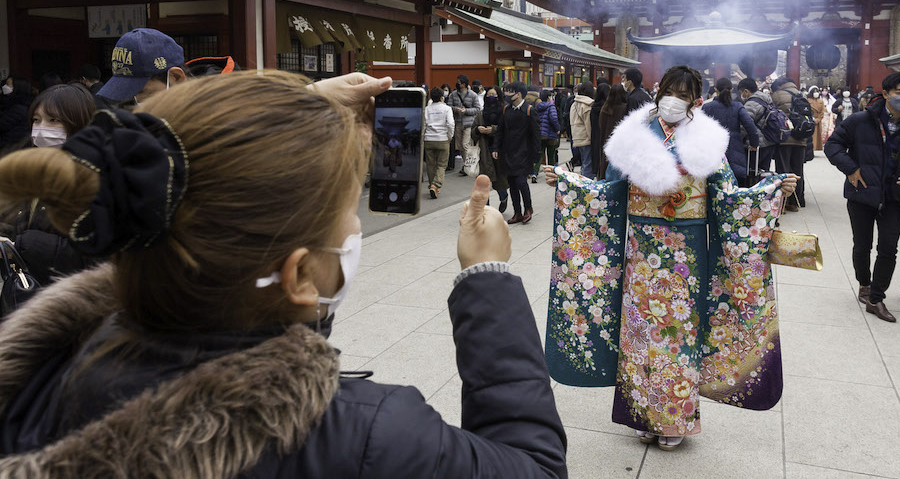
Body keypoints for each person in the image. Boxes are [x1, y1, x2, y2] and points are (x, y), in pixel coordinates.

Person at [0, 71, 568, 476]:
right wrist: (487, 276)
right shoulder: (368, 439)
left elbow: (219, 216)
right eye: (350, 211)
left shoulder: (45, 373)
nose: (355, 226)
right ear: (297, 277)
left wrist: (292, 123)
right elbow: (533, 467)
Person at [543, 65, 798, 449]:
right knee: (639, 331)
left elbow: (728, 197)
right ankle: (643, 413)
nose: (672, 99)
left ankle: (674, 419)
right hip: (641, 250)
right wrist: (569, 182)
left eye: (683, 93)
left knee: (676, 333)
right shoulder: (632, 135)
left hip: (686, 253)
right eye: (668, 90)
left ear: (696, 100)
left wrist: (771, 189)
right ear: (658, 91)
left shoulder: (708, 140)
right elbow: (609, 190)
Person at [824, 72, 900, 323]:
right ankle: (864, 283)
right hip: (862, 193)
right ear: (885, 94)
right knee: (862, 245)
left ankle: (876, 297)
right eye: (899, 92)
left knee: (888, 249)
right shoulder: (861, 120)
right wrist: (851, 168)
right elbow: (833, 146)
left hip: (896, 197)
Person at [0, 84, 96, 286]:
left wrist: (22, 245)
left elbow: (93, 255)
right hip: (30, 289)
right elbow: (13, 218)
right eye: (36, 120)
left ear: (79, 123)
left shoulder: (94, 178)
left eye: (54, 120)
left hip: (73, 298)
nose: (42, 128)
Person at [97, 28, 189, 105]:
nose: (138, 106)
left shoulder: (201, 122)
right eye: (130, 97)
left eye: (145, 94)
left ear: (176, 77)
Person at [493, 82, 540, 225]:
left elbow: (536, 135)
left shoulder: (529, 110)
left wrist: (535, 156)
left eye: (509, 92)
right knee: (512, 184)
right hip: (508, 152)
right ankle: (517, 212)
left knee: (521, 182)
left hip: (523, 153)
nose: (506, 95)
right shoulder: (506, 110)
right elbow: (500, 131)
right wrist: (495, 148)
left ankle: (528, 208)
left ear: (518, 94)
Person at [703, 77, 760, 186]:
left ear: (715, 89)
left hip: (713, 151)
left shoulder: (707, 107)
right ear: (731, 90)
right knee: (736, 185)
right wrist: (754, 144)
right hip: (735, 150)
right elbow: (751, 127)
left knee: (715, 183)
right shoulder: (737, 106)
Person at [771, 77, 809, 210]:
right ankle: (796, 202)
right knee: (798, 171)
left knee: (783, 170)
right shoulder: (800, 94)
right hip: (801, 139)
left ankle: (783, 203)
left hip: (784, 139)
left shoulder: (776, 95)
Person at [472, 86, 509, 212]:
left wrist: (493, 130)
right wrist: (478, 130)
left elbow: (508, 130)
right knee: (484, 183)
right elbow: (473, 131)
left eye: (494, 95)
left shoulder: (504, 112)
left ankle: (504, 198)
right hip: (484, 151)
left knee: (500, 183)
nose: (491, 97)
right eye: (488, 95)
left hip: (499, 151)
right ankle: (485, 210)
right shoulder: (481, 114)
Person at [738, 78, 777, 173]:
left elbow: (744, 126)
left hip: (757, 145)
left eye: (741, 92)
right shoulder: (767, 99)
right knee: (764, 172)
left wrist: (737, 139)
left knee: (753, 173)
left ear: (746, 91)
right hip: (769, 141)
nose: (741, 96)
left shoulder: (751, 104)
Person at [424, 86, 455, 199]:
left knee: (430, 164)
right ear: (442, 98)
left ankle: (433, 186)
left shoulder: (427, 109)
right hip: (442, 139)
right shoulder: (447, 109)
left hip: (428, 139)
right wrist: (450, 136)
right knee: (442, 165)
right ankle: (435, 185)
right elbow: (450, 124)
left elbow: (423, 125)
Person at [448, 75, 482, 177]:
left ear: (464, 84)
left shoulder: (472, 95)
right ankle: (465, 164)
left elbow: (477, 108)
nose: (457, 84)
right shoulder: (453, 94)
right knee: (460, 147)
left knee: (465, 144)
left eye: (459, 82)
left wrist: (466, 111)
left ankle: (469, 166)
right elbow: (448, 106)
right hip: (458, 122)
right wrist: (456, 109)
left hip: (469, 123)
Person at [597, 83, 629, 179]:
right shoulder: (625, 108)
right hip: (620, 143)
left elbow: (600, 125)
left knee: (605, 164)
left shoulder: (604, 108)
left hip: (605, 140)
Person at [534, 90, 561, 184]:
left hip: (541, 134)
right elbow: (553, 118)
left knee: (540, 154)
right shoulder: (551, 106)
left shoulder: (537, 107)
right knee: (551, 154)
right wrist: (558, 128)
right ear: (549, 97)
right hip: (551, 134)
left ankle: (534, 173)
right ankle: (551, 174)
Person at [569, 81, 595, 178]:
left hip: (577, 137)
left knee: (584, 163)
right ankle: (586, 187)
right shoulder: (587, 104)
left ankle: (582, 182)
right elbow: (588, 124)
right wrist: (591, 138)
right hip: (585, 138)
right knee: (588, 164)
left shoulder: (574, 104)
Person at [0, 77, 34, 151]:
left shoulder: (18, 108)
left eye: (8, 85)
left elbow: (2, 124)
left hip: (13, 147)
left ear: (17, 88)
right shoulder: (12, 103)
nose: (4, 87)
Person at [589, 82, 609, 178]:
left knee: (596, 159)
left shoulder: (593, 106)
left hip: (595, 135)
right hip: (605, 136)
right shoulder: (608, 107)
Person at [806, 86, 826, 151]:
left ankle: (816, 147)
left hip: (817, 121)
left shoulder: (821, 102)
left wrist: (817, 119)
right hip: (810, 121)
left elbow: (822, 112)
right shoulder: (807, 101)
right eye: (814, 92)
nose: (816, 93)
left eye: (817, 92)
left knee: (817, 136)